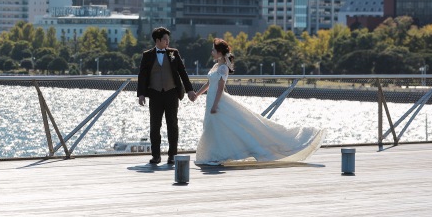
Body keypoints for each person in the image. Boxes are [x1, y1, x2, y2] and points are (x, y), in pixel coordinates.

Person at [194, 38, 324, 166]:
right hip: (211, 100)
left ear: (220, 52)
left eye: (213, 50)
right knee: (213, 127)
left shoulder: (223, 68)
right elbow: (209, 83)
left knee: (222, 127)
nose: (212, 52)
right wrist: (197, 95)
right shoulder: (216, 66)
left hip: (219, 102)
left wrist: (215, 105)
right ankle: (214, 155)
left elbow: (220, 88)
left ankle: (218, 156)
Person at [137, 27, 196, 165]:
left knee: (172, 125)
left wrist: (190, 91)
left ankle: (172, 155)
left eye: (168, 39)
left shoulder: (174, 53)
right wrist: (141, 94)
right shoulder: (147, 55)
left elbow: (183, 73)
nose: (167, 42)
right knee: (155, 125)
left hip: (171, 93)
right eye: (165, 39)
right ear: (157, 40)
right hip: (155, 94)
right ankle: (156, 155)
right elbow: (142, 75)